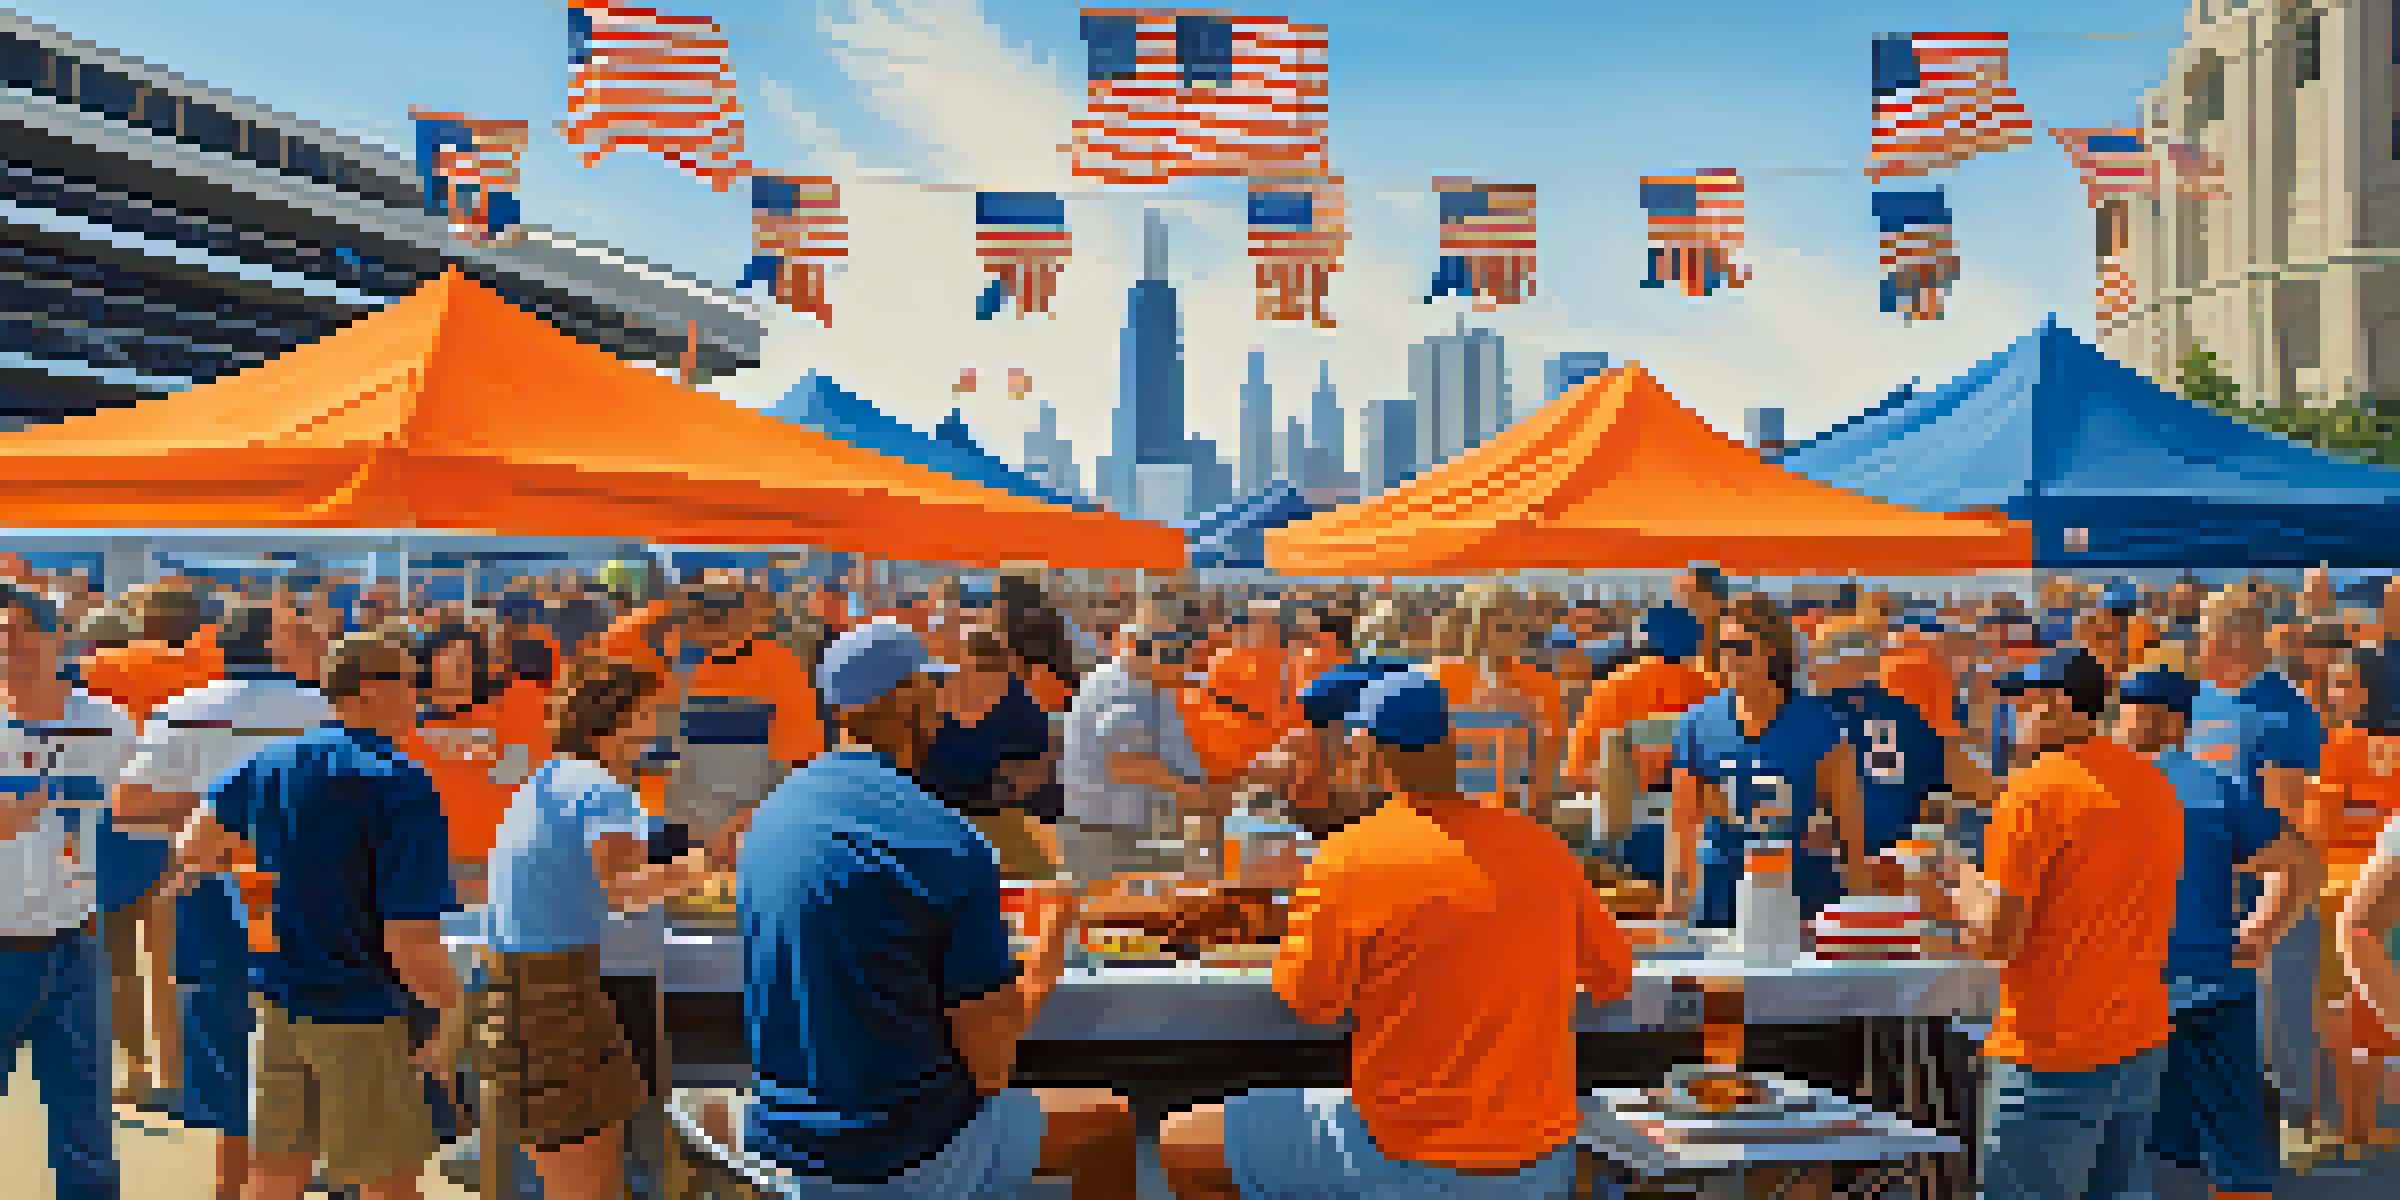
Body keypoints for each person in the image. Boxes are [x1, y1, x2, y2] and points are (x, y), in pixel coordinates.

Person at [1154, 667, 1635, 1200]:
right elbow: (1613, 979)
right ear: (1452, 747)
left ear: (1369, 756)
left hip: (1402, 1154)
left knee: (1181, 1140)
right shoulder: (1543, 849)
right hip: (1538, 1164)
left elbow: (1310, 1004)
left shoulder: (1349, 855)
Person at [707, 619, 1137, 1198]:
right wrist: (1050, 950)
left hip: (779, 1139)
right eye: (932, 690)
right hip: (898, 1150)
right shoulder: (947, 841)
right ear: (910, 702)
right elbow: (991, 1065)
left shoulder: (770, 815)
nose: (940, 705)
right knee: (1108, 1122)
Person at [172, 628, 463, 1200]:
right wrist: (456, 1011)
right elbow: (410, 942)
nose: (419, 694)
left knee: (275, 1175)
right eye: (408, 680)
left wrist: (275, 892)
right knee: (387, 1182)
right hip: (366, 1013)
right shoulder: (401, 784)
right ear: (368, 690)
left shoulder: (272, 760)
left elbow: (194, 851)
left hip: (281, 1000)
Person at [1907, 647, 2181, 1200]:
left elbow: (1999, 938)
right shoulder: (2152, 784)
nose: (2013, 716)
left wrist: (1956, 883)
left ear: (2056, 705)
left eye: (2022, 703)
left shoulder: (2033, 791)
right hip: (2138, 1041)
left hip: (2052, 1048)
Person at [112, 604, 337, 1200]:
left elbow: (129, 806)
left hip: (211, 894)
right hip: (313, 895)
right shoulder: (328, 712)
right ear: (278, 646)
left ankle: (231, 1189)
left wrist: (216, 820)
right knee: (315, 1045)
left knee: (225, 1048)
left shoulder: (187, 709)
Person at [479, 656, 711, 1198]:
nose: (658, 726)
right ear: (620, 718)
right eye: (651, 712)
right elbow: (626, 892)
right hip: (554, 997)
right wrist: (706, 867)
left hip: (528, 990)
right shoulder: (600, 790)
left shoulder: (552, 778)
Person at [2113, 667, 2319, 1199]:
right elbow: (2296, 864)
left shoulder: (2098, 788)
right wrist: (2258, 934)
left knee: (2131, 1149)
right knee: (2233, 1154)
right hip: (2215, 983)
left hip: (2127, 992)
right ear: (2182, 725)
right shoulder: (2218, 787)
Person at [0, 583, 135, 1200]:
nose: (10, 644)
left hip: (73, 947)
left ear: (59, 639)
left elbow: (141, 818)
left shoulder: (105, 724)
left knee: (85, 1131)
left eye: (25, 628)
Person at [2187, 592, 2333, 1161]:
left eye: (2203, 631)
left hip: (2267, 887)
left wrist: (2261, 886)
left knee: (2281, 1013)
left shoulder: (2280, 708)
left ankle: (2296, 1125)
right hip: (2208, 891)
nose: (2196, 643)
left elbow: (2287, 814)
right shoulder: (2204, 703)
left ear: (2232, 639)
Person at [1668, 592, 1862, 926]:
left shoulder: (1819, 723)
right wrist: (1673, 910)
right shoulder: (1697, 723)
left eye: (1741, 649)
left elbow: (1848, 826)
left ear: (1771, 651)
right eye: (1723, 650)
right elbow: (1682, 825)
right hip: (1722, 893)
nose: (1730, 659)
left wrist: (1861, 903)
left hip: (1800, 891)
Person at [2301, 645, 2400, 1155]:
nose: (2333, 694)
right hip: (2381, 889)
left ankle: (2351, 1131)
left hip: (2344, 896)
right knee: (2373, 1016)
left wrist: (2355, 816)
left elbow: (2320, 823)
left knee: (2344, 1014)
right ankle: (2360, 1129)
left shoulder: (2337, 744)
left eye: (2342, 684)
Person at [1059, 623, 1221, 883]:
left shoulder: (1157, 689)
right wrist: (1192, 795)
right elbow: (1127, 763)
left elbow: (1179, 756)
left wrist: (1204, 797)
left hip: (1136, 832)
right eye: (1185, 665)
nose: (1188, 676)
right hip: (1104, 837)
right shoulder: (1118, 686)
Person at [401, 622, 544, 905]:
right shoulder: (406, 729)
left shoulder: (514, 707)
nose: (462, 672)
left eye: (468, 664)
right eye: (452, 664)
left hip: (501, 861)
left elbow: (519, 776)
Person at [917, 622, 1065, 879]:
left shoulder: (1017, 700)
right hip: (952, 815)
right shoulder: (935, 696)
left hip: (994, 815)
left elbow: (1043, 760)